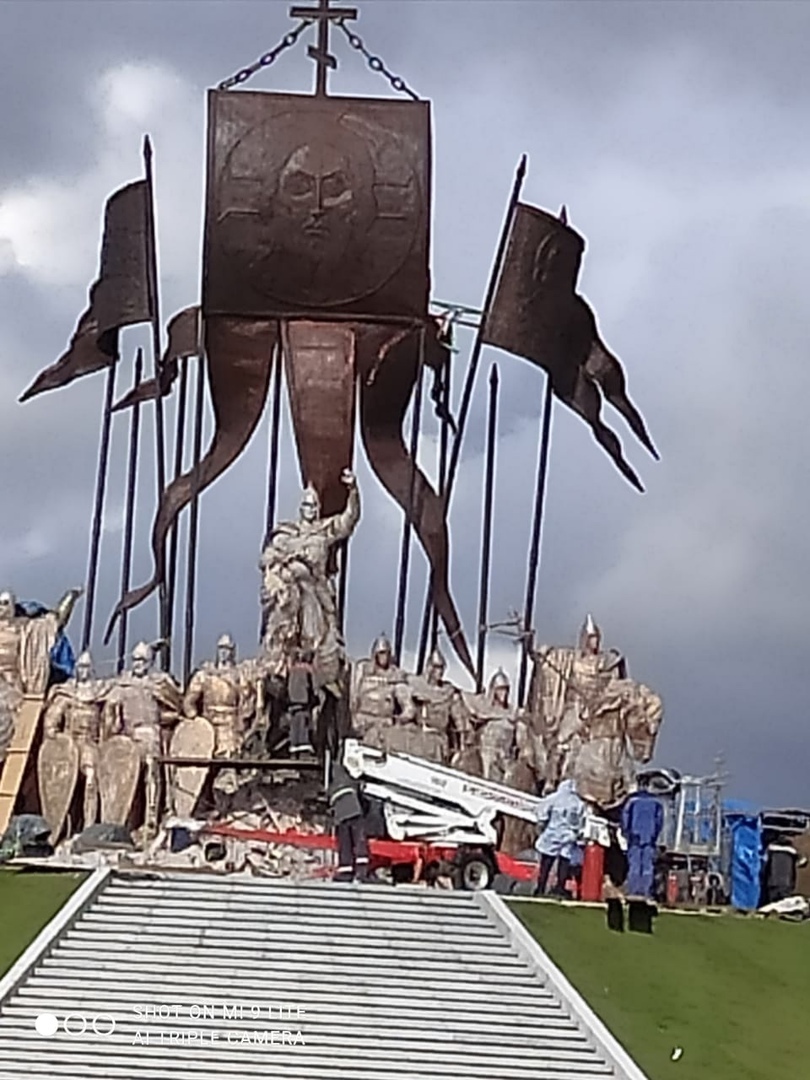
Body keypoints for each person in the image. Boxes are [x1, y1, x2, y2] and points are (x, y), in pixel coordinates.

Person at [534, 778, 586, 897]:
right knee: (564, 861)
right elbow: (582, 822)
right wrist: (578, 834)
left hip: (553, 833)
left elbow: (541, 813)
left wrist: (541, 827)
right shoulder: (578, 803)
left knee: (546, 862)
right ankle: (560, 888)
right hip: (569, 836)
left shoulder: (553, 798)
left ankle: (541, 887)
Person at [327, 756, 370, 884]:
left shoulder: (333, 784)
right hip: (354, 810)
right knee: (359, 842)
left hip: (341, 814)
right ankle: (361, 872)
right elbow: (363, 798)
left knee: (345, 843)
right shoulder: (352, 780)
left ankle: (346, 872)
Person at [620, 779, 664, 900]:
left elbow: (625, 819)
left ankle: (634, 891)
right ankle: (645, 891)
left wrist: (627, 834)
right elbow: (659, 821)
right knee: (647, 866)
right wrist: (654, 835)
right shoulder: (656, 802)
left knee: (634, 865)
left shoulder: (632, 801)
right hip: (649, 838)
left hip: (634, 837)